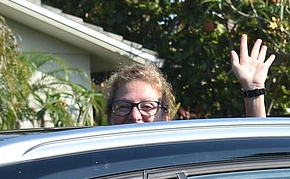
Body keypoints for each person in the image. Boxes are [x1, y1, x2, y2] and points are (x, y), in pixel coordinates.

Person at [106, 34, 275, 124]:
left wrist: (253, 90)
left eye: (148, 106)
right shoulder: (92, 165)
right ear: (110, 116)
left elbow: (257, 154)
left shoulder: (183, 157)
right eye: (123, 106)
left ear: (165, 115)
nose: (135, 115)